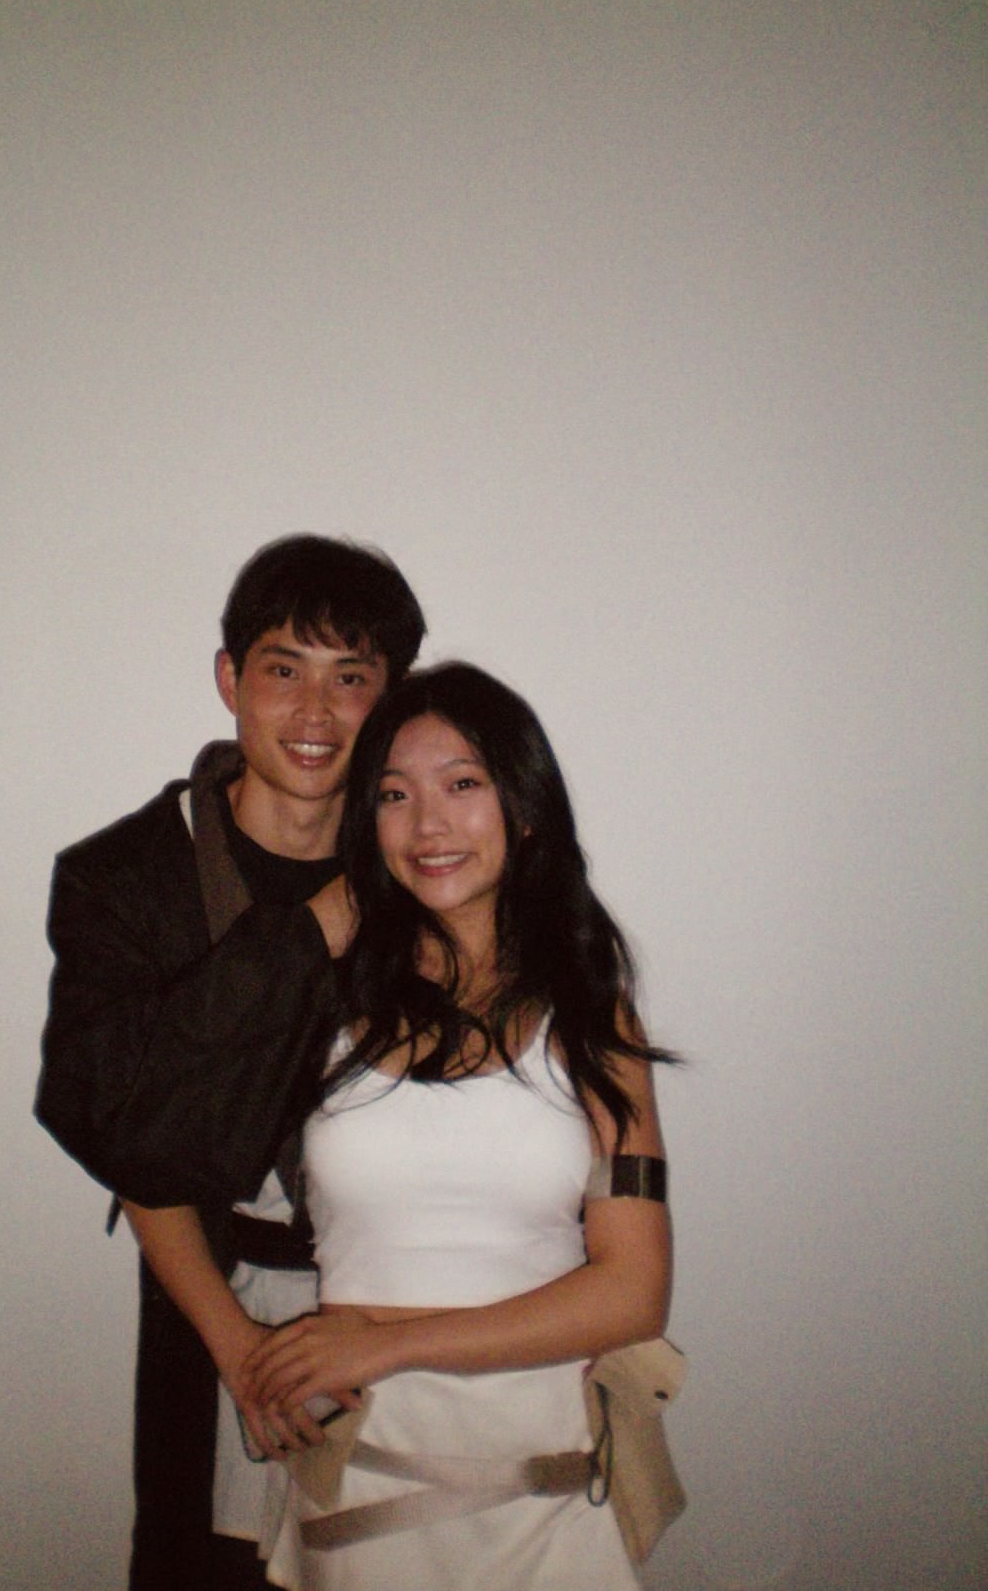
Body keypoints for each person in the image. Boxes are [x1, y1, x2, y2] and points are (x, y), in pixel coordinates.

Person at [34, 535, 426, 1591]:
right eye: (282, 669)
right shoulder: (128, 878)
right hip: (211, 1299)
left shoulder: (423, 864)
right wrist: (239, 1349)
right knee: (207, 1568)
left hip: (401, 1313)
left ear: (390, 695)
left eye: (351, 678)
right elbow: (125, 1124)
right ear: (229, 679)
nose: (315, 711)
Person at [240, 662, 674, 1590]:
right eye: (395, 795)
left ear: (525, 809)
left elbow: (634, 1293)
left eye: (462, 785)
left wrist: (388, 1342)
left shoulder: (592, 1014)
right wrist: (241, 1349)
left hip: (548, 1481)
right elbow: (147, 1150)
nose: (427, 825)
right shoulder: (324, 996)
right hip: (359, 1465)